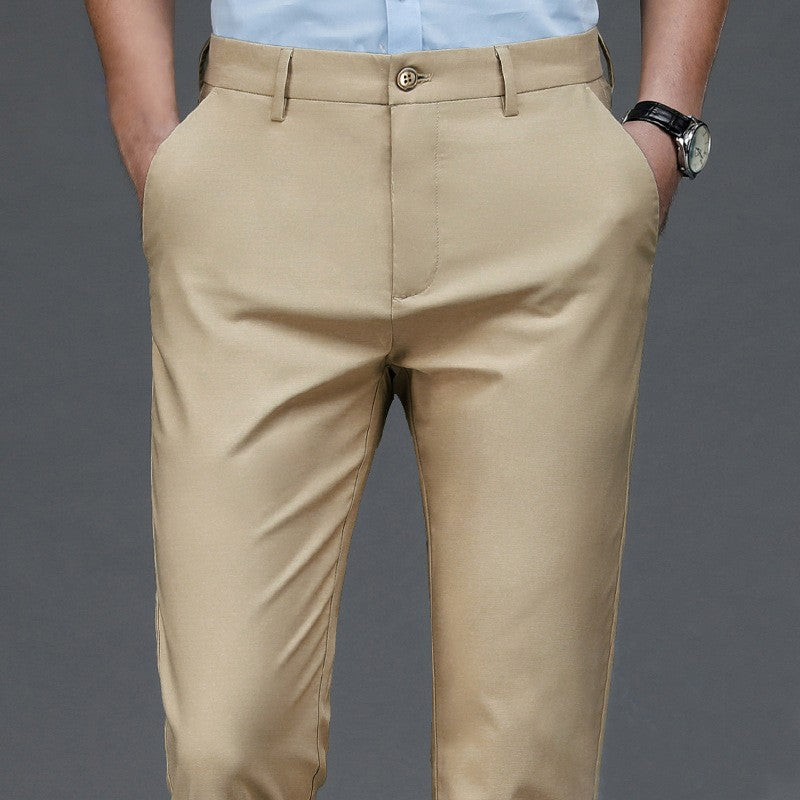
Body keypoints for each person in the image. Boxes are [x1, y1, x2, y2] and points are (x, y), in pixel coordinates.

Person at [84, 2, 729, 798]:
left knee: (524, 759)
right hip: (261, 171)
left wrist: (666, 122)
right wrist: (148, 130)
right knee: (226, 744)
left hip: (535, 171)